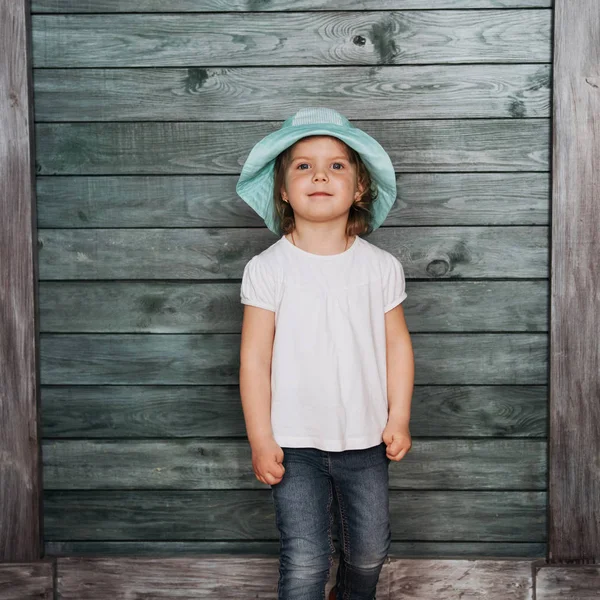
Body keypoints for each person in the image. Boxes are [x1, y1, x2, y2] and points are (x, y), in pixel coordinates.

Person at [237, 107, 414, 600]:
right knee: (305, 559)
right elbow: (254, 360)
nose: (319, 174)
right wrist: (260, 437)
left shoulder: (380, 267)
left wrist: (398, 417)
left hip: (366, 441)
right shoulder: (268, 269)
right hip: (293, 445)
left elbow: (397, 345)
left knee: (369, 552)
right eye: (303, 166)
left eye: (337, 165)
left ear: (359, 188)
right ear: (283, 189)